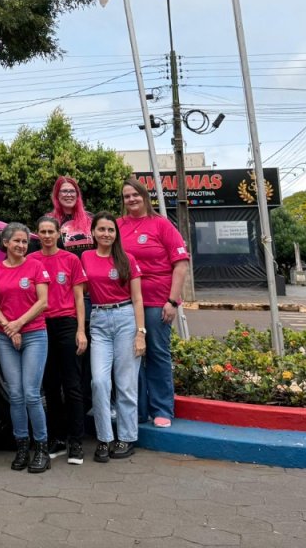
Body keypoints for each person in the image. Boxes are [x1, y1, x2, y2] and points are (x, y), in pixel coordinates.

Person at [117, 176, 189, 428]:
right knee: (131, 355)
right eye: (127, 196)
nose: (131, 199)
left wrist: (172, 301)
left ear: (145, 196)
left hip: (157, 301)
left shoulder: (161, 225)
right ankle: (137, 409)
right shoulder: (118, 226)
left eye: (135, 194)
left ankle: (161, 408)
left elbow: (180, 265)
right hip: (126, 302)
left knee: (157, 353)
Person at [81, 212, 145, 462]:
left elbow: (138, 298)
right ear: (93, 232)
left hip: (125, 318)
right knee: (99, 381)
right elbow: (81, 289)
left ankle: (127, 438)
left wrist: (141, 333)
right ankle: (104, 437)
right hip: (98, 320)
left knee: (125, 383)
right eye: (101, 229)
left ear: (115, 234)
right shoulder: (85, 257)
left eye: (110, 230)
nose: (106, 234)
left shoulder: (127, 259)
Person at [0, 223, 51, 473]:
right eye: (17, 241)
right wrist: (8, 327)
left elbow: (43, 302)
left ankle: (42, 448)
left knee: (31, 393)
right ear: (5, 242)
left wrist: (18, 324)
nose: (22, 246)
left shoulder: (36, 266)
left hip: (34, 334)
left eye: (25, 242)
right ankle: (22, 446)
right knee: (15, 394)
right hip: (6, 336)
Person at [29, 215, 88, 465]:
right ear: (38, 234)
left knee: (72, 386)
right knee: (50, 386)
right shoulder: (31, 261)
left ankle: (76, 441)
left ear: (58, 235)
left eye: (51, 231)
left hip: (66, 324)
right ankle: (57, 438)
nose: (46, 235)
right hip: (41, 325)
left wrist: (81, 330)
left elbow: (79, 299)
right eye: (42, 231)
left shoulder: (71, 260)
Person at [48, 176, 94, 250]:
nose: (69, 195)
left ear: (77, 194)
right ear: (57, 194)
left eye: (72, 191)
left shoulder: (90, 218)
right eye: (64, 191)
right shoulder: (49, 221)